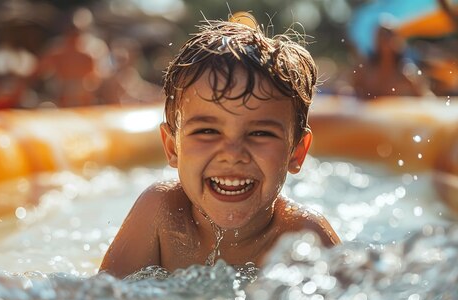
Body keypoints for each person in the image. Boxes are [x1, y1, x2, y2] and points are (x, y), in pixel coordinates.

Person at [100, 16, 341, 278]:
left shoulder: (305, 238)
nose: (232, 154)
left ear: (296, 152)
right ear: (172, 148)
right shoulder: (161, 213)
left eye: (260, 133)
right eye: (207, 131)